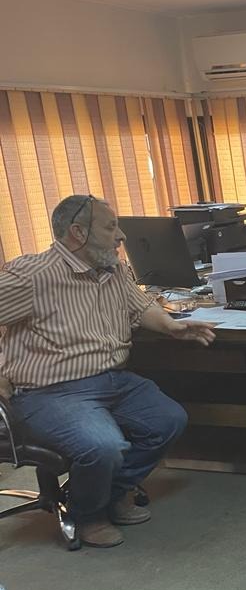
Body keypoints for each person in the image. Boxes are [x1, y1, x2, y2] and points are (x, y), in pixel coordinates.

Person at [0, 195, 216, 548]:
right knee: (104, 445)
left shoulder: (113, 268)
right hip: (50, 392)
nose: (121, 236)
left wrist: (172, 327)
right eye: (110, 227)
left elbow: (140, 307)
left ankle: (107, 492)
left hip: (113, 380)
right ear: (78, 233)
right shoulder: (34, 276)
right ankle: (88, 514)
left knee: (168, 421)